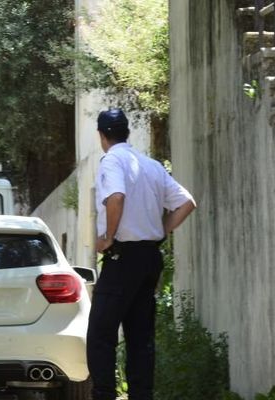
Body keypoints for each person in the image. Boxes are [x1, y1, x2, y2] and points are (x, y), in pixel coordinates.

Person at [86, 108, 196, 400]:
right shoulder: (151, 165)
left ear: (102, 136)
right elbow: (187, 203)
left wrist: (108, 238)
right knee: (140, 334)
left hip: (123, 258)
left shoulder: (112, 161)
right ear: (126, 132)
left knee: (100, 333)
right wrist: (160, 231)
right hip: (149, 259)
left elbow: (116, 197)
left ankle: (104, 394)